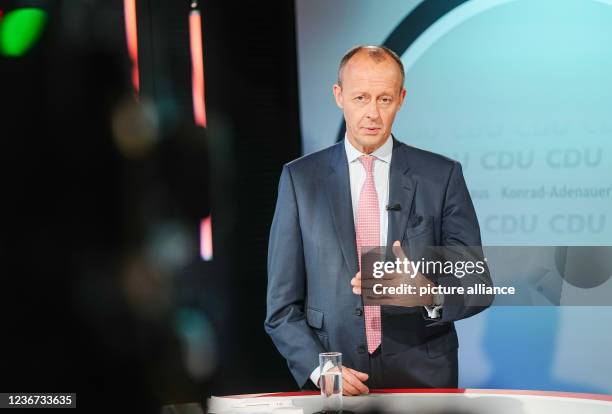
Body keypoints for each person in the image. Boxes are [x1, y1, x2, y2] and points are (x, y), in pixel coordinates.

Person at [265, 45, 492, 395]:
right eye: (360, 97)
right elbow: (281, 309)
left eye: (384, 99)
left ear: (401, 99)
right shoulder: (300, 180)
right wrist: (320, 368)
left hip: (424, 377)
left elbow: (478, 285)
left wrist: (428, 295)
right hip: (337, 380)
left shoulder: (441, 176)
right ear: (338, 96)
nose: (372, 113)